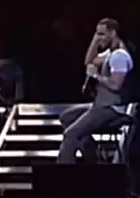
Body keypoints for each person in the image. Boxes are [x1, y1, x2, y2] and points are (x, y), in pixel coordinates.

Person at [57, 18, 134, 164]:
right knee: (67, 117)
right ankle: (91, 156)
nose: (99, 38)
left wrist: (96, 76)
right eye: (97, 34)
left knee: (71, 134)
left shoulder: (120, 57)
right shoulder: (110, 53)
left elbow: (116, 85)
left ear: (113, 33)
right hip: (100, 105)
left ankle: (63, 171)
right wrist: (94, 41)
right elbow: (89, 62)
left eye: (102, 34)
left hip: (111, 108)